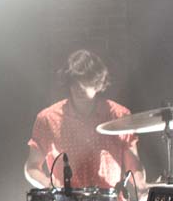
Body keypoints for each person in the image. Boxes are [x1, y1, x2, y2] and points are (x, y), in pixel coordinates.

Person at [24, 49, 146, 192]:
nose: (79, 87)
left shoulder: (119, 116)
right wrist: (48, 184)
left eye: (86, 81)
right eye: (75, 81)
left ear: (99, 83)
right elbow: (32, 167)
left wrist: (141, 185)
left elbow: (133, 165)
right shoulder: (47, 118)